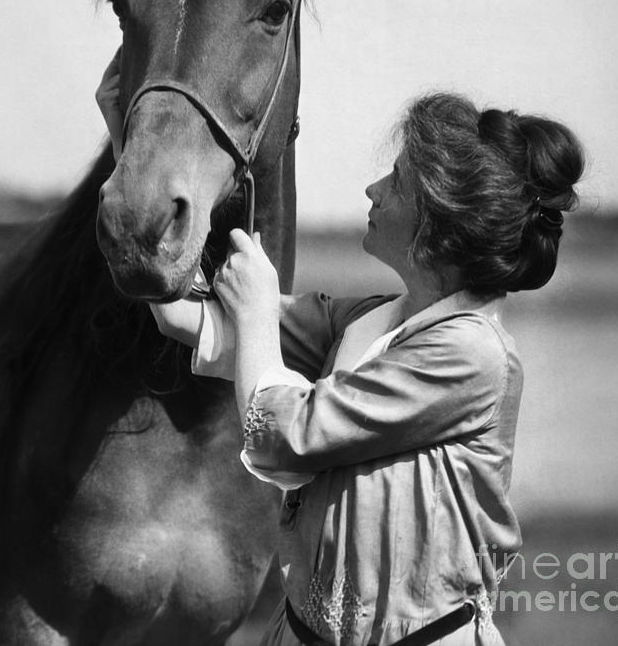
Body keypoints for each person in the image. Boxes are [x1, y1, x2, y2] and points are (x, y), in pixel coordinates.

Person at [96, 67, 584, 646]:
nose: (374, 190)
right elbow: (181, 313)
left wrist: (254, 314)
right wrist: (129, 146)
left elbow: (288, 434)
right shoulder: (362, 322)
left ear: (441, 219)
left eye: (397, 181)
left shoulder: (474, 356)